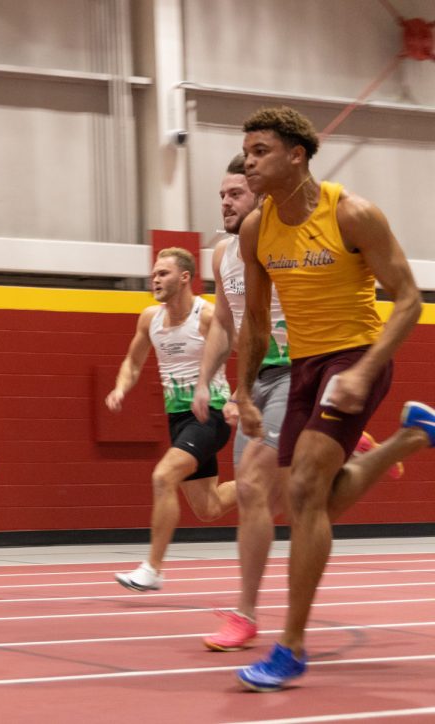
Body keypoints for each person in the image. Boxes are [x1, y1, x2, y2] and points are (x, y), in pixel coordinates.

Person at [233, 106, 433, 691]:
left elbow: (409, 299)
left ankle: (290, 647)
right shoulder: (255, 229)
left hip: (356, 357)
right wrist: (242, 390)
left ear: (297, 155)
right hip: (303, 367)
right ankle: (412, 437)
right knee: (307, 505)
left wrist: (365, 369)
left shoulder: (351, 213)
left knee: (301, 491)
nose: (249, 162)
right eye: (246, 152)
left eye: (261, 150)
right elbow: (253, 321)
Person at [191, 153, 291, 651]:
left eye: (236, 195)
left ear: (261, 194)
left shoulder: (285, 243)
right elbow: (227, 325)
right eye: (222, 196)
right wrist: (208, 381)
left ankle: (245, 614)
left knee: (253, 488)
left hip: (301, 372)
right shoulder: (221, 254)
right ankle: (350, 443)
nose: (226, 204)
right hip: (259, 378)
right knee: (268, 498)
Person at [106, 248, 238, 592]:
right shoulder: (149, 319)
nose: (155, 280)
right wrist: (121, 388)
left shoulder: (207, 316)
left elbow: (241, 347)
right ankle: (268, 479)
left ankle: (153, 568)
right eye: (153, 275)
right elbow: (132, 363)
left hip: (210, 414)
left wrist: (215, 388)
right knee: (209, 508)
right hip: (178, 418)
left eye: (162, 274)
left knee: (163, 477)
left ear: (184, 277)